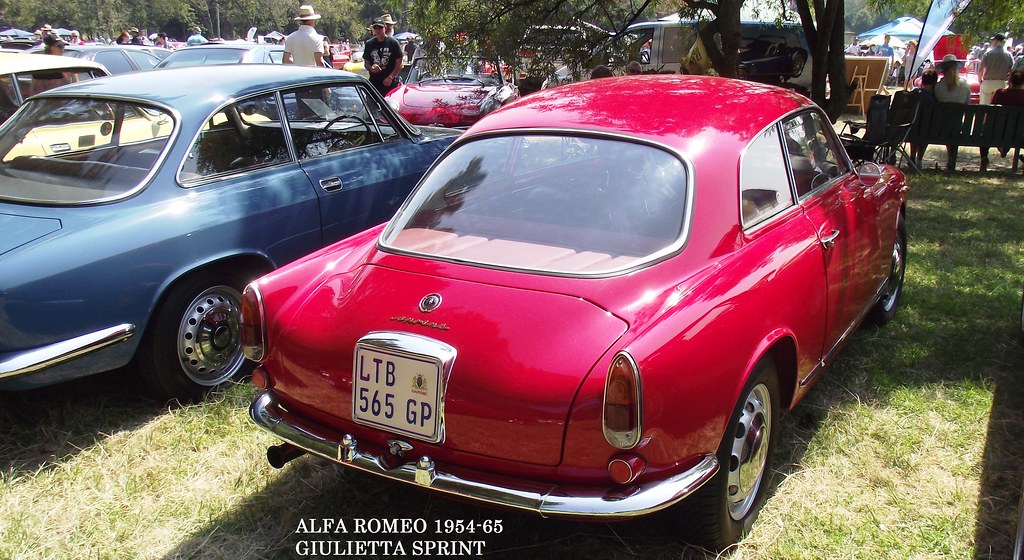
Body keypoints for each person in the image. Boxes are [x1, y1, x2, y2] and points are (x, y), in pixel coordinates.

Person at [979, 69, 1024, 170]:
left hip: (994, 132)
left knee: (985, 130)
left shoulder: (1000, 93)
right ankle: (1004, 149)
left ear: (1009, 80)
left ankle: (984, 157)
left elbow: (991, 113)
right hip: (1016, 134)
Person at [934, 54, 971, 171]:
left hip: (939, 128)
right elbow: (967, 103)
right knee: (954, 126)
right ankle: (952, 159)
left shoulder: (938, 86)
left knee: (947, 122)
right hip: (957, 127)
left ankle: (950, 159)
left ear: (943, 70)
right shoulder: (965, 86)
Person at [363, 17, 403, 96]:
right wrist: (371, 68)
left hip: (390, 82)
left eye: (380, 28)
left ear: (385, 27)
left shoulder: (393, 43)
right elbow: (366, 63)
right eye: (375, 28)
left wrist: (391, 77)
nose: (378, 30)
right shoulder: (369, 44)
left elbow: (399, 64)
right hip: (375, 82)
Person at [910, 68, 938, 168]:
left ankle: (912, 156)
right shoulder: (933, 98)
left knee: (916, 129)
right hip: (927, 130)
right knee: (924, 129)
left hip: (909, 129)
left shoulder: (914, 93)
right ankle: (919, 159)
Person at [978, 33, 1013, 105]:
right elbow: (1011, 71)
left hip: (988, 81)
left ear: (996, 41)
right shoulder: (1009, 55)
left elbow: (981, 69)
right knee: (999, 105)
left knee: (984, 105)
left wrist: (980, 79)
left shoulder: (988, 53)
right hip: (1001, 82)